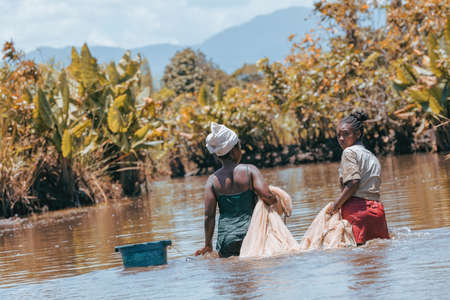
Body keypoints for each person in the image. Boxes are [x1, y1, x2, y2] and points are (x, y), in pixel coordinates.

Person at [195, 122, 277, 257]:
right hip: (252, 235)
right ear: (233, 151)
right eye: (239, 146)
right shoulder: (249, 170)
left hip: (227, 241)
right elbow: (267, 197)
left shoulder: (212, 181)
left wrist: (208, 244)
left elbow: (209, 216)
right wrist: (278, 199)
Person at [329, 111, 390, 245]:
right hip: (377, 211)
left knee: (357, 260)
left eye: (345, 134)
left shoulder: (349, 152)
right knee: (379, 258)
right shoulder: (371, 156)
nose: (341, 139)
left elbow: (353, 182)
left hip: (357, 211)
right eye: (338, 135)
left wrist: (336, 205)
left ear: (358, 134)